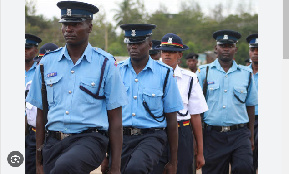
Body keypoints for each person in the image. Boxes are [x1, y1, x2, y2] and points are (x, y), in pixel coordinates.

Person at [26, 1, 127, 173]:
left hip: (90, 139)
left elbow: (116, 118)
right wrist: (38, 160)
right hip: (53, 143)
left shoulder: (106, 64)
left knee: (66, 167)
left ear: (89, 27)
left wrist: (115, 166)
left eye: (75, 24)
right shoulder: (46, 63)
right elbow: (41, 114)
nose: (68, 29)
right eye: (65, 24)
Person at [117, 24, 183, 174]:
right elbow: (109, 114)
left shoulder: (164, 73)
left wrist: (173, 161)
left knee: (136, 168)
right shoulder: (116, 72)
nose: (133, 47)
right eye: (130, 43)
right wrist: (106, 155)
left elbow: (172, 118)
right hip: (121, 138)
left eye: (139, 43)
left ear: (150, 45)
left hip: (151, 136)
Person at [196, 29, 258, 174]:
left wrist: (250, 137)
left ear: (235, 49)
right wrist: (197, 140)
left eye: (229, 46)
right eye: (222, 45)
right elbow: (197, 109)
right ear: (215, 48)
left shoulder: (246, 74)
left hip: (240, 134)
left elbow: (250, 106)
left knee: (244, 168)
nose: (225, 49)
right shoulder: (203, 72)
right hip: (212, 136)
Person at [152, 33, 208, 174]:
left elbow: (196, 116)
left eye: (172, 52)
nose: (167, 55)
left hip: (181, 132)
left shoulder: (190, 79)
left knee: (182, 170)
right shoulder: (150, 75)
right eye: (165, 51)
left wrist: (200, 151)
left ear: (180, 55)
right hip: (157, 132)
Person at [25, 33, 42, 174]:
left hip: (33, 128)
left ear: (36, 50)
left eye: (28, 47)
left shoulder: (41, 70)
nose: (24, 51)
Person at [246, 33, 258, 172]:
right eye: (253, 49)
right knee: (248, 162)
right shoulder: (242, 73)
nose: (256, 53)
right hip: (246, 122)